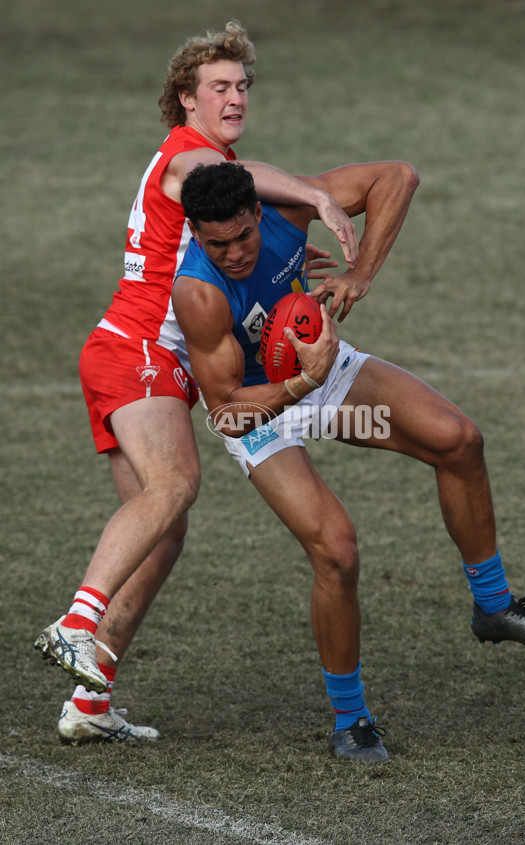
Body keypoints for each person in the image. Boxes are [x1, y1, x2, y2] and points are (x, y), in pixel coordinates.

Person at [171, 160, 525, 764]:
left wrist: (360, 272)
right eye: (217, 244)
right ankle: (351, 720)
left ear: (259, 213)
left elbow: (398, 177)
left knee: (458, 440)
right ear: (197, 236)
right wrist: (296, 386)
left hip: (321, 373)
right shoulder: (199, 292)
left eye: (244, 237)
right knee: (336, 551)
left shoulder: (287, 214)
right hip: (261, 411)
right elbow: (228, 413)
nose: (235, 253)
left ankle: (494, 606)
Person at [33, 20, 359, 745]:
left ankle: (89, 702)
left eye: (243, 84)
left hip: (130, 354)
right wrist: (318, 196)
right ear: (186, 98)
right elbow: (239, 187)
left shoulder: (211, 173)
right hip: (141, 348)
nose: (235, 96)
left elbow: (234, 214)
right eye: (219, 86)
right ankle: (77, 620)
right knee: (176, 484)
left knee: (164, 531)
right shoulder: (188, 156)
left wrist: (278, 240)